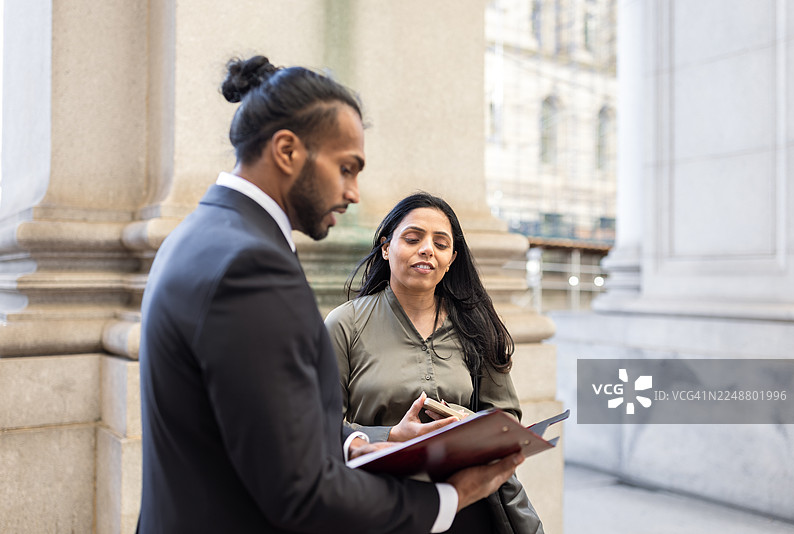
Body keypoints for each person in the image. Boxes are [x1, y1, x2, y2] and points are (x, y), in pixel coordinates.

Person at [137, 55, 524, 533]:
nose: (355, 192)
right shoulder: (249, 265)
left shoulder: (204, 233)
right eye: (347, 168)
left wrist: (352, 444)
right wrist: (450, 498)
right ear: (287, 151)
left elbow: (263, 426)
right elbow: (301, 492)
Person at [325, 192, 545, 533]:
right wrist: (392, 435)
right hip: (380, 505)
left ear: (451, 259)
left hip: (468, 504)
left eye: (441, 244)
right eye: (413, 238)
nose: (427, 249)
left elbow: (507, 416)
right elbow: (320, 426)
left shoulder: (476, 324)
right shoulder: (345, 324)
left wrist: (467, 424)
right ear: (386, 247)